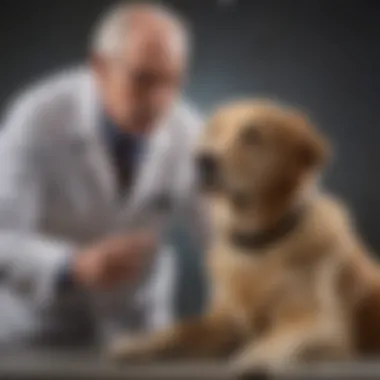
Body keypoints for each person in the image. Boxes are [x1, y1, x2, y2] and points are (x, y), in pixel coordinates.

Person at [0, 2, 206, 348]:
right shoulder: (38, 119)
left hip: (141, 332)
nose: (158, 100)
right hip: (37, 333)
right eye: (142, 80)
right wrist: (71, 266)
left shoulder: (190, 132)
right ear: (99, 67)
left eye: (172, 81)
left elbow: (226, 240)